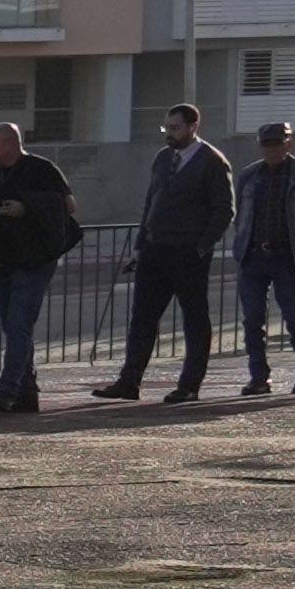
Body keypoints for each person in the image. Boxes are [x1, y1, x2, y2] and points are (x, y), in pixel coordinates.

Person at [103, 104, 232, 403]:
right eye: (166, 128)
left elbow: (224, 209)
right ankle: (129, 381)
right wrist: (140, 245)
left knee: (194, 319)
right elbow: (152, 202)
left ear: (192, 126)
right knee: (143, 319)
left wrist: (202, 245)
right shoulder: (163, 158)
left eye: (174, 128)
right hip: (154, 249)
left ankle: (189, 385)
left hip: (188, 252)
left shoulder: (211, 162)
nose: (169, 134)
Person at [0, 120, 82, 413]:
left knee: (20, 324)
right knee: (14, 328)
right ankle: (26, 390)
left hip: (33, 259)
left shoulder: (42, 170)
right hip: (0, 261)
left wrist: (28, 207)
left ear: (10, 142)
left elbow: (67, 206)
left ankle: (7, 390)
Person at [230, 121, 295, 401]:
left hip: (287, 256)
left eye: (277, 144)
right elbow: (239, 210)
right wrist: (241, 239)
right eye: (267, 144)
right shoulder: (250, 175)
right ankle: (258, 376)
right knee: (252, 319)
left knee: (294, 316)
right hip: (253, 256)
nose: (273, 149)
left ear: (288, 144)